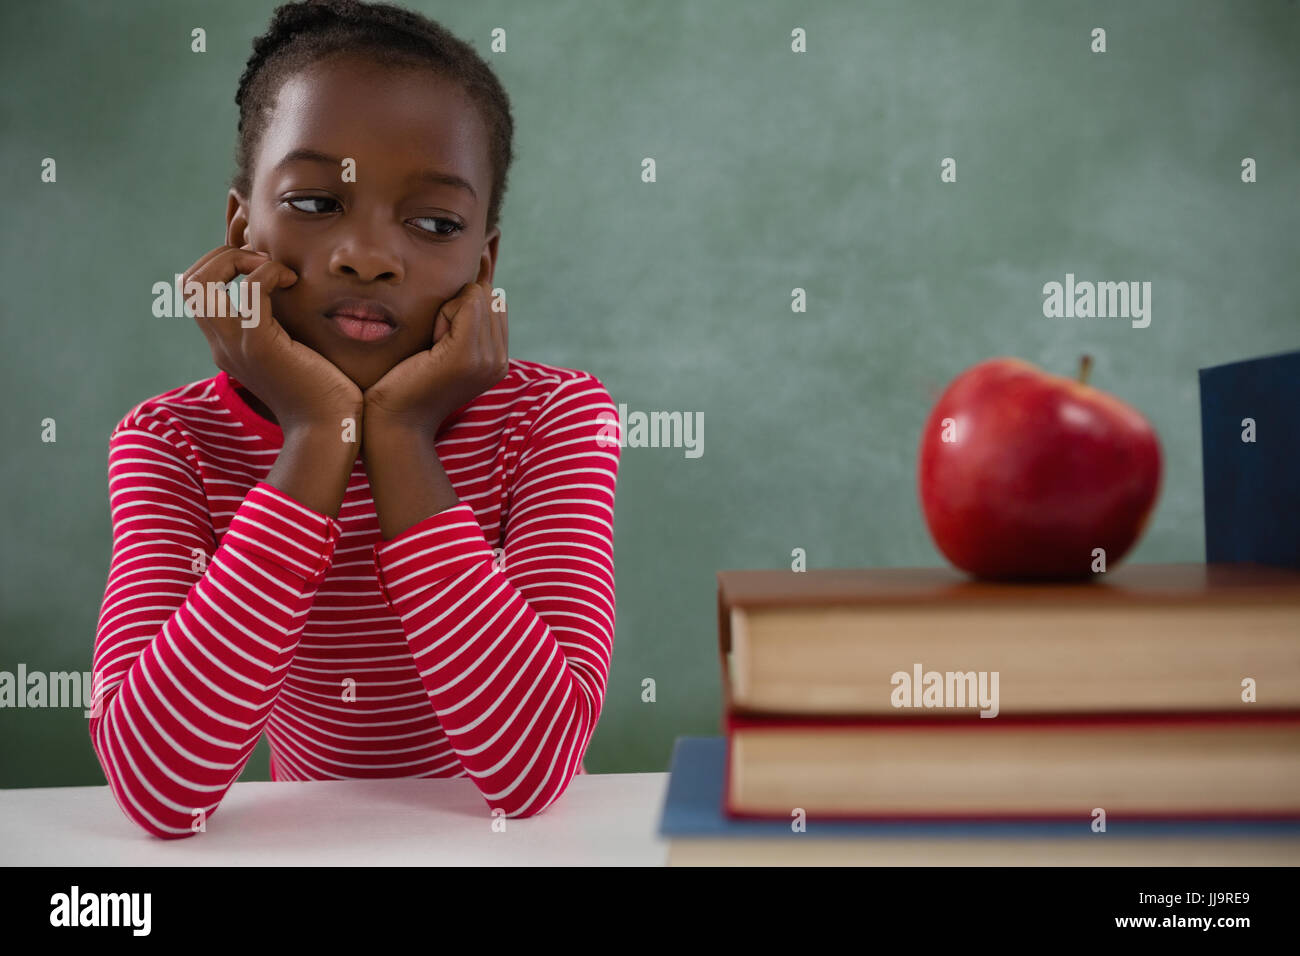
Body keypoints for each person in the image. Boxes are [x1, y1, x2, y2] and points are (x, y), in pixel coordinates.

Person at [90, 0, 619, 839]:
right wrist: (316, 433)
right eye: (314, 204)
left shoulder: (555, 419)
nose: (367, 255)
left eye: (434, 223)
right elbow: (158, 787)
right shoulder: (172, 445)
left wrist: (402, 438)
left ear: (483, 264)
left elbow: (529, 773)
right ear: (240, 230)